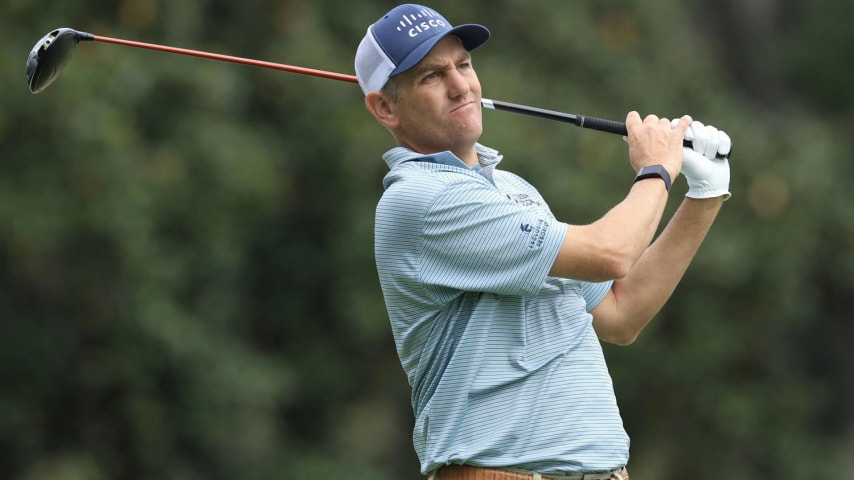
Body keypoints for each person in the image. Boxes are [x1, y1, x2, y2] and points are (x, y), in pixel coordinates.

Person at [355, 4, 732, 480]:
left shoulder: (513, 190)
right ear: (385, 107)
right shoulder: (420, 201)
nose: (460, 86)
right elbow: (610, 254)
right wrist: (657, 170)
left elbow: (621, 313)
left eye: (464, 65)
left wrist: (705, 196)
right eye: (432, 76)